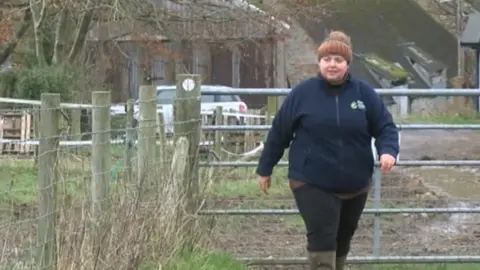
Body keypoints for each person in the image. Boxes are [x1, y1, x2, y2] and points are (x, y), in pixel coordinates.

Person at [255, 30, 400, 270]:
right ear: (319, 62)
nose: (332, 65)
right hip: (311, 179)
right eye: (327, 59)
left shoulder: (364, 94)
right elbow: (279, 133)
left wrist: (388, 151)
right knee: (322, 236)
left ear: (347, 64)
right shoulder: (302, 94)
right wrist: (265, 168)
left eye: (338, 60)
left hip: (356, 182)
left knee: (343, 239)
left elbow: (385, 126)